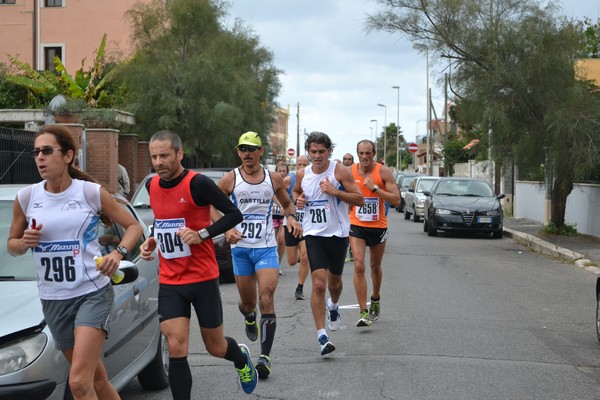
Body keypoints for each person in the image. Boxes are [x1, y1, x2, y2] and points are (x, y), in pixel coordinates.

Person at [8, 124, 143, 400]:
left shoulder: (89, 193)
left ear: (68, 156)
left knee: (79, 383)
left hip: (90, 293)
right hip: (53, 299)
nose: (40, 158)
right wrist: (23, 243)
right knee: (97, 379)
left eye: (47, 151)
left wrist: (118, 254)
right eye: (36, 152)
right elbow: (12, 246)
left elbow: (133, 227)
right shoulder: (26, 197)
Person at [139, 130, 257, 398]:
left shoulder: (198, 183)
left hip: (202, 277)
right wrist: (151, 242)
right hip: (170, 280)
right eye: (154, 157)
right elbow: (163, 222)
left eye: (164, 156)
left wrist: (202, 234)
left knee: (215, 347)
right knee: (176, 344)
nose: (158, 162)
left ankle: (240, 358)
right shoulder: (152, 186)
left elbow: (233, 214)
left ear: (179, 154)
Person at [216, 131, 302, 379]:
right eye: (242, 149)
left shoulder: (272, 178)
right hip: (241, 250)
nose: (246, 154)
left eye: (251, 149)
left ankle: (264, 357)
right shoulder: (230, 179)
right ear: (238, 152)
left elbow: (287, 204)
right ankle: (249, 317)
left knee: (266, 298)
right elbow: (210, 206)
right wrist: (227, 228)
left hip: (265, 248)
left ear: (260, 152)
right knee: (248, 303)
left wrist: (292, 218)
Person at [292, 131, 364, 356]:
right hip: (313, 235)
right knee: (319, 284)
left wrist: (334, 191)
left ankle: (333, 306)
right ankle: (322, 336)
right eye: (313, 151)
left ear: (329, 151)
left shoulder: (339, 171)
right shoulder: (303, 173)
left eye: (321, 151)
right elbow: (295, 192)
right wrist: (299, 200)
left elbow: (359, 198)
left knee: (334, 284)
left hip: (338, 234)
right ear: (308, 152)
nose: (317, 156)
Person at [349, 140, 400, 327]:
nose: (364, 157)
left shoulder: (383, 172)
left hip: (378, 225)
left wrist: (376, 189)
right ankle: (363, 312)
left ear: (374, 153)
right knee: (359, 266)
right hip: (357, 224)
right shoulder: (350, 172)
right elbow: (343, 193)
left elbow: (396, 200)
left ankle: (375, 298)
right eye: (361, 153)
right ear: (357, 154)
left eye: (368, 153)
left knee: (375, 266)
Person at [283, 155, 310, 300]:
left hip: (307, 225)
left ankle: (300, 288)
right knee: (292, 261)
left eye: (305, 164)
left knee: (305, 257)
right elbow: (275, 191)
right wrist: (282, 206)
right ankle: (300, 253)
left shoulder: (313, 178)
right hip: (292, 223)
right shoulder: (289, 179)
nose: (302, 166)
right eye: (299, 164)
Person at [273, 161, 289, 273]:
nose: (282, 173)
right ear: (276, 171)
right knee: (273, 240)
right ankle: (272, 264)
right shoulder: (273, 182)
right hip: (274, 214)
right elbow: (273, 195)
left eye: (284, 171)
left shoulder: (288, 183)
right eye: (280, 171)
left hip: (285, 215)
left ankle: (278, 265)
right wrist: (280, 204)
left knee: (282, 240)